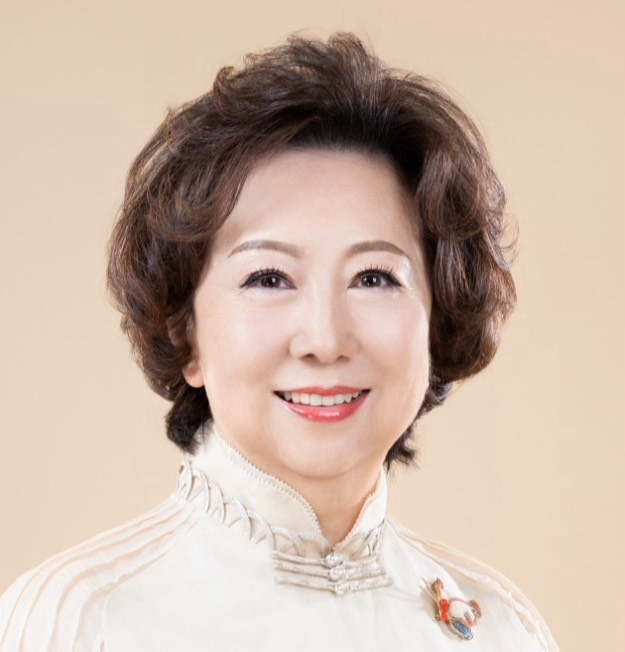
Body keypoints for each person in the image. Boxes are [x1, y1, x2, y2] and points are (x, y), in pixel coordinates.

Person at [0, 32, 559, 651]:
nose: (325, 340)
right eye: (268, 278)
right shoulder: (81, 621)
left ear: (437, 319)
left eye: (374, 278)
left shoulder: (501, 628)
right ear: (186, 335)